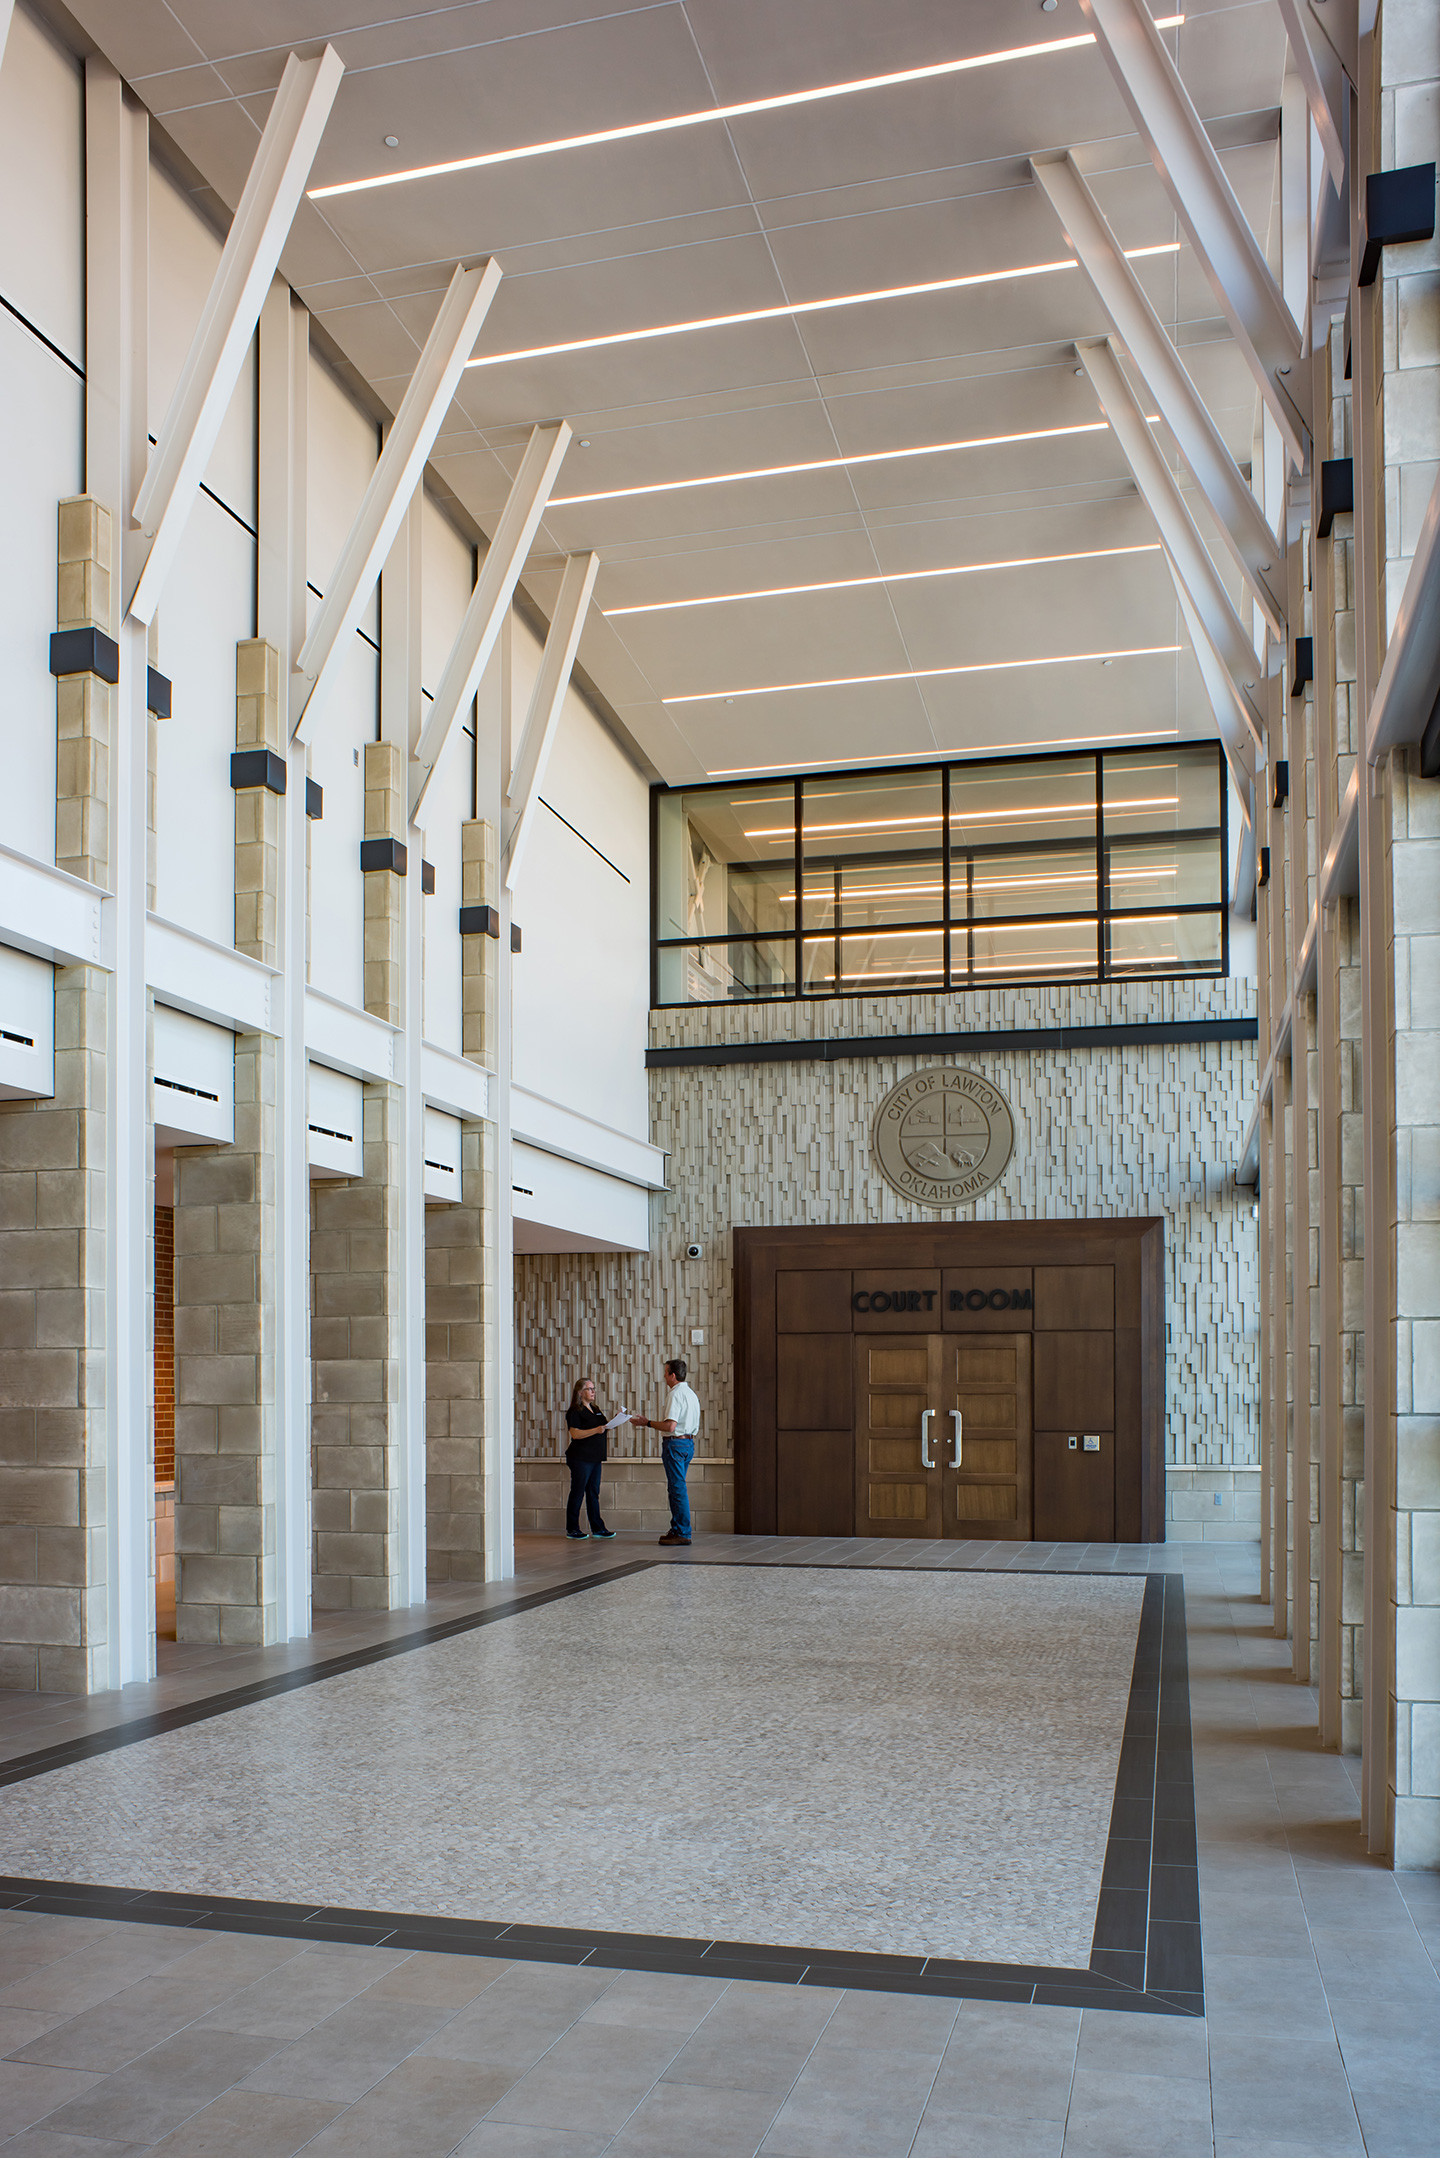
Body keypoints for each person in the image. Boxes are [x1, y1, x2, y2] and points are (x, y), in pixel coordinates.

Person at [633, 1357, 701, 1547]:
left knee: (677, 1489)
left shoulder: (675, 1394)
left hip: (675, 1445)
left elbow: (670, 1426)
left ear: (672, 1375)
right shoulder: (691, 1394)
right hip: (688, 1444)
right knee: (677, 1488)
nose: (663, 1376)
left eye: (665, 1372)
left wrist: (645, 1422)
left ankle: (682, 1531)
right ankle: (678, 1528)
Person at [563, 1378, 617, 1541]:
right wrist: (595, 1430)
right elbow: (575, 1433)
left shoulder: (595, 1409)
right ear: (580, 1392)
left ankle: (598, 1528)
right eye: (589, 1389)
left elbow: (603, 1428)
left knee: (593, 1492)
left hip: (595, 1457)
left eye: (594, 1388)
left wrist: (616, 1419)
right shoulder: (575, 1411)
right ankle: (572, 1528)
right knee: (578, 1492)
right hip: (580, 1457)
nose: (593, 1391)